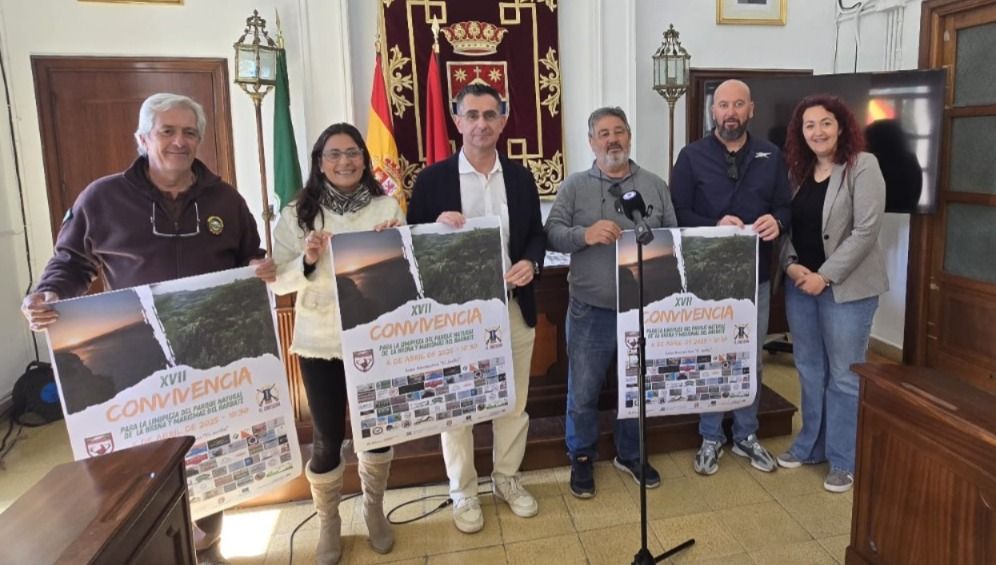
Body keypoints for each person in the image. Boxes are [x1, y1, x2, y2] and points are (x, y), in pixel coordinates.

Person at [20, 92, 274, 565]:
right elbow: (70, 262)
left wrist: (258, 266)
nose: (179, 141)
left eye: (189, 132)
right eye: (167, 131)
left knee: (211, 453)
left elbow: (249, 256)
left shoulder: (226, 199)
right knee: (144, 466)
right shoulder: (101, 198)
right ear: (142, 139)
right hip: (138, 360)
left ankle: (210, 548)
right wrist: (49, 294)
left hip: (209, 356)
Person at [407, 83, 545, 534]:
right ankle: (464, 491)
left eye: (490, 115)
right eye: (472, 115)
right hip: (456, 316)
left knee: (513, 404)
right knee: (457, 408)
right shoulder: (432, 181)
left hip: (511, 307)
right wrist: (433, 228)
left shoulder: (521, 178)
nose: (481, 124)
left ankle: (506, 478)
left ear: (502, 121)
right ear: (457, 120)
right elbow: (411, 246)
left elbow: (536, 235)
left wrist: (531, 262)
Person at [270, 123, 405, 564]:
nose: (344, 161)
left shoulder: (387, 206)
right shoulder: (297, 213)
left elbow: (406, 271)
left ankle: (373, 508)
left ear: (364, 159)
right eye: (334, 154)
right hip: (320, 342)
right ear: (319, 162)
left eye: (352, 153)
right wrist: (308, 258)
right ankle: (328, 521)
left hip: (376, 337)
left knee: (378, 431)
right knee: (328, 438)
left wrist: (397, 244)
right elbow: (277, 281)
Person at [545, 107, 677, 498]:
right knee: (583, 391)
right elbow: (552, 233)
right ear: (591, 142)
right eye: (603, 133)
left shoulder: (654, 185)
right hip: (591, 309)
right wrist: (584, 235)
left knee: (636, 387)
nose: (612, 139)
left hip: (643, 308)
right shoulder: (574, 187)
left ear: (629, 137)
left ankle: (631, 453)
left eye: (619, 131)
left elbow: (674, 235)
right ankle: (582, 456)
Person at [670, 79, 792, 476]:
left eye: (739, 105)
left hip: (756, 276)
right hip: (708, 277)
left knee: (749, 358)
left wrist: (777, 221)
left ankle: (746, 433)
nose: (731, 113)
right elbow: (677, 212)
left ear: (751, 110)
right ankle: (710, 436)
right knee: (711, 356)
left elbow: (786, 208)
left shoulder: (771, 155)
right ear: (713, 111)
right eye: (723, 105)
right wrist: (713, 224)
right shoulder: (690, 156)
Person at [777, 95, 887, 493]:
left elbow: (866, 231)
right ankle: (811, 445)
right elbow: (783, 225)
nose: (817, 132)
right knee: (809, 369)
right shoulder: (796, 172)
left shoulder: (863, 166)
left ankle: (843, 459)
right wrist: (790, 265)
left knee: (844, 376)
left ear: (841, 127)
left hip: (846, 290)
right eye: (809, 125)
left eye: (825, 123)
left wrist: (824, 277)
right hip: (801, 286)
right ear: (800, 132)